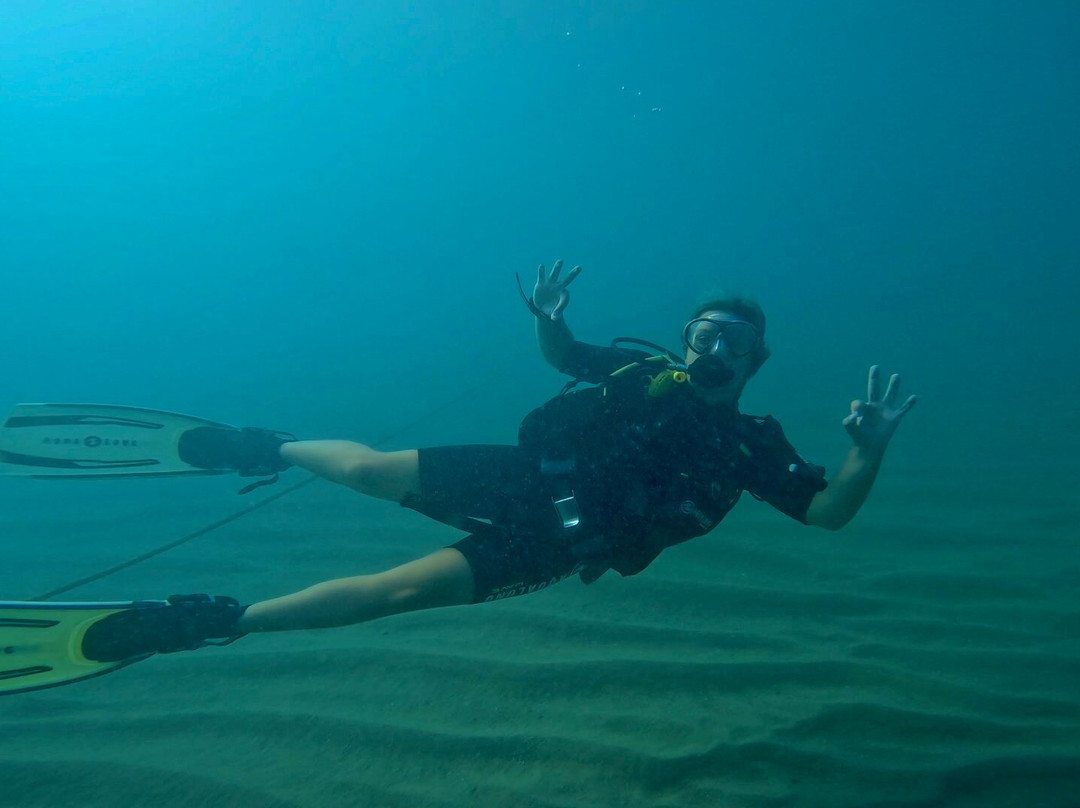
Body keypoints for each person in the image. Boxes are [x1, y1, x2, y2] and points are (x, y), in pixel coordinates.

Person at [38, 261, 920, 667]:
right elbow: (562, 354)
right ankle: (260, 446)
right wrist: (547, 314)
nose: (715, 347)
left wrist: (864, 452)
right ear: (686, 343)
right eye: (704, 335)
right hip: (526, 478)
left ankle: (211, 621)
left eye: (735, 340)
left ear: (758, 358)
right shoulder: (639, 371)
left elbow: (829, 512)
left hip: (563, 543)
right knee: (371, 472)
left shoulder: (751, 443)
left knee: (400, 592)